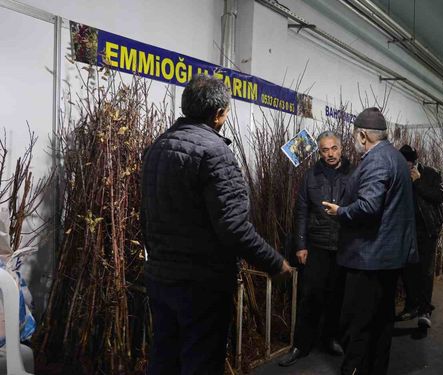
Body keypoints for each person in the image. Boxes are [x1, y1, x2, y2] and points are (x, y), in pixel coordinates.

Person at [141, 75, 291, 375]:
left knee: (164, 358)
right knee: (201, 362)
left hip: (160, 278)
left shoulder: (158, 147)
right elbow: (234, 227)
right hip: (200, 286)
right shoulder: (214, 152)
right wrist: (275, 263)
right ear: (219, 114)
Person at [323, 107, 416, 375]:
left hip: (368, 260)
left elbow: (368, 206)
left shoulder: (376, 160)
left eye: (354, 136)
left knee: (358, 324)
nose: (354, 142)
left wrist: (339, 211)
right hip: (387, 258)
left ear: (363, 135)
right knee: (381, 322)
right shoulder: (396, 157)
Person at [279, 131, 352, 367]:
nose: (330, 154)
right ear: (319, 151)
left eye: (334, 148)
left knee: (337, 297)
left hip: (344, 246)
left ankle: (330, 339)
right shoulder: (311, 175)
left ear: (341, 148)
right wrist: (301, 245)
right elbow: (301, 211)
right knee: (310, 297)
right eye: (324, 150)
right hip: (317, 245)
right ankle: (301, 345)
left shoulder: (355, 174)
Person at [396, 145, 443, 332]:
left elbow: (439, 196)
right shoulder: (398, 175)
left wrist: (417, 182)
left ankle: (425, 311)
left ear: (415, 162)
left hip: (426, 231)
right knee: (408, 272)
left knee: (425, 272)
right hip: (406, 232)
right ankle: (411, 307)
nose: (407, 167)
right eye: (404, 164)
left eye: (409, 164)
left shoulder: (431, 174)